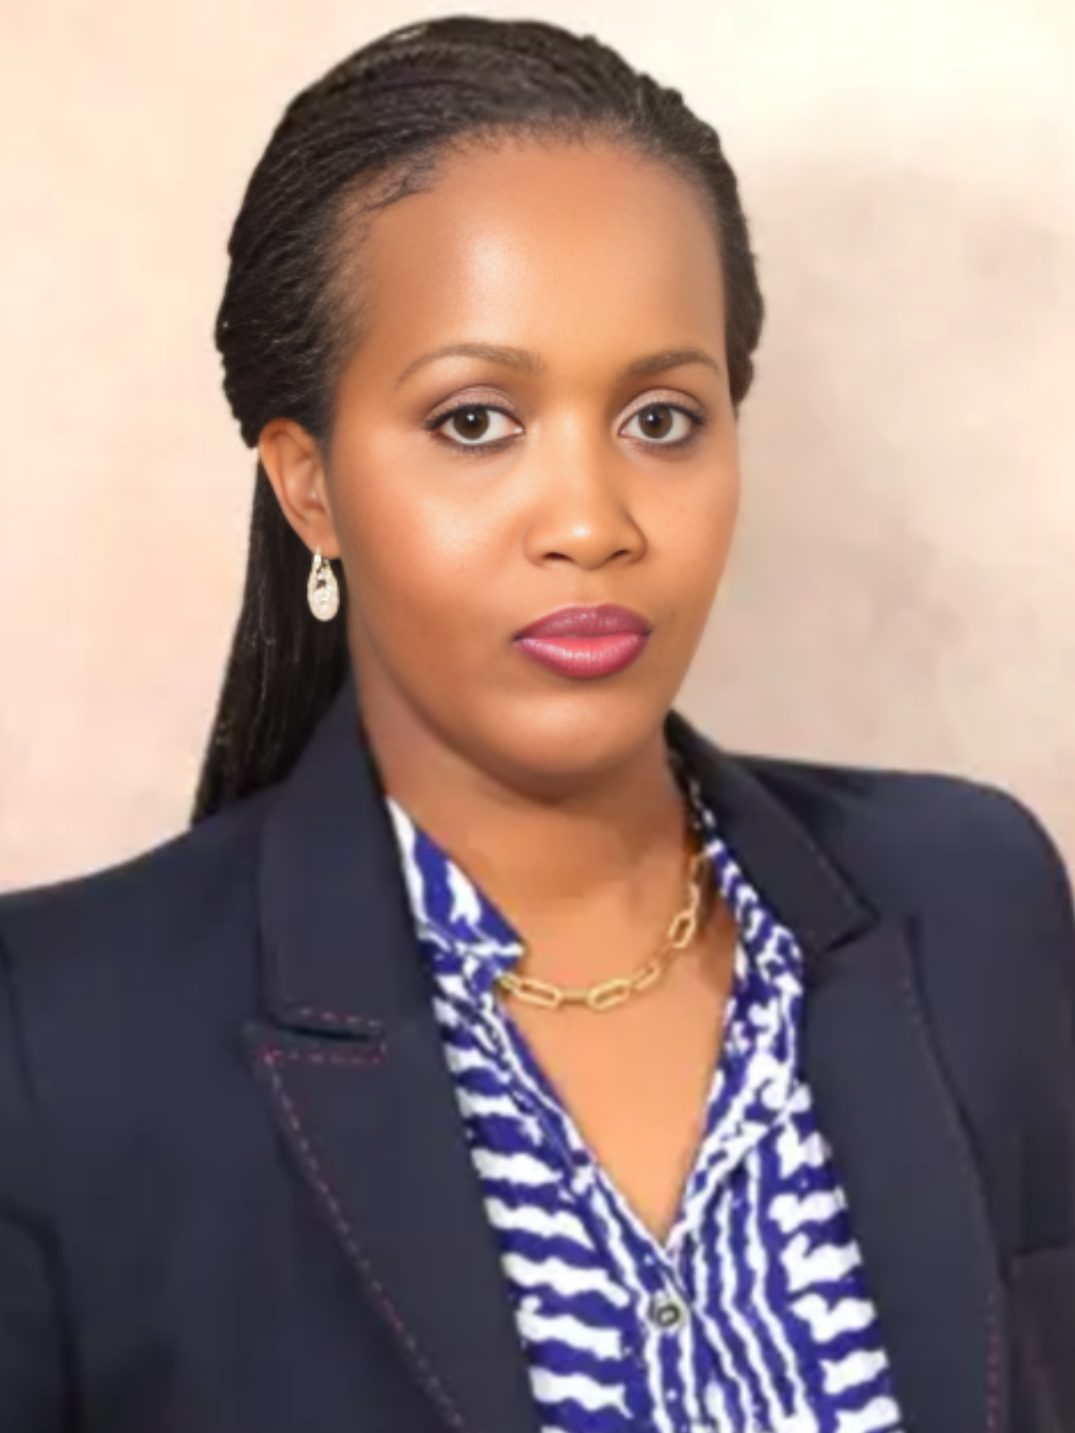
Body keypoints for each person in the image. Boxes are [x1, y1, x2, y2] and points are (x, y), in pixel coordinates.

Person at [1, 14, 1073, 1433]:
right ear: (310, 486)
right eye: (475, 421)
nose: (590, 521)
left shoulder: (972, 901)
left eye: (661, 418)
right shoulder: (55, 1040)